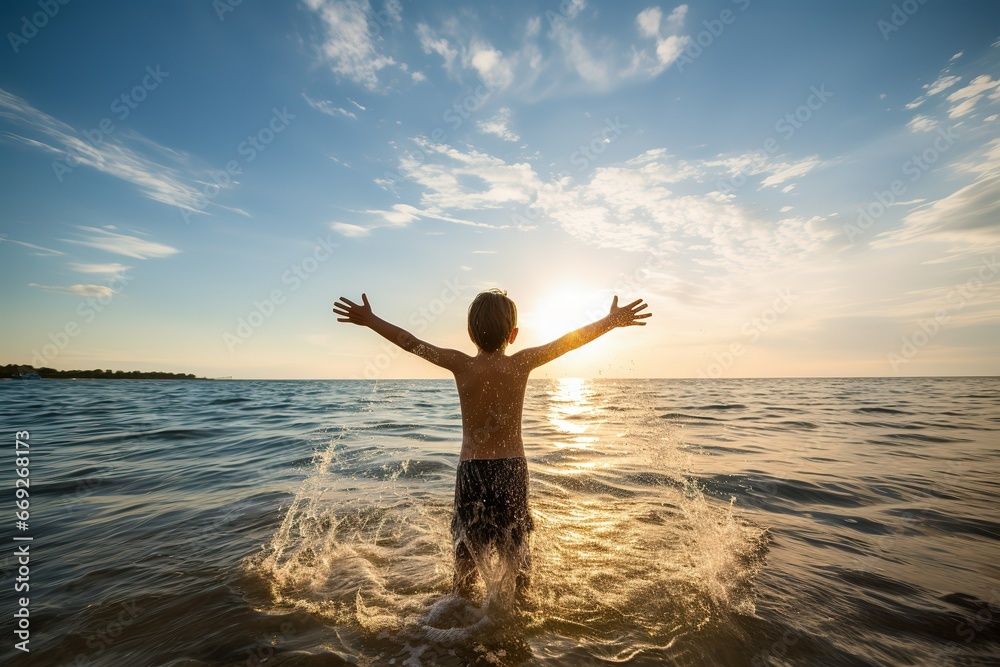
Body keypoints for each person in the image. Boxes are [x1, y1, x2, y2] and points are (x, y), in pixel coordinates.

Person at [332, 288, 651, 601]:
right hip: (511, 469)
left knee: (464, 559)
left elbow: (409, 342)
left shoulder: (459, 364)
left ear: (470, 333)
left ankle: (461, 615)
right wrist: (611, 321)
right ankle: (520, 609)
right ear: (513, 334)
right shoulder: (522, 362)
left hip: (471, 470)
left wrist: (371, 319)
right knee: (519, 557)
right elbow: (568, 342)